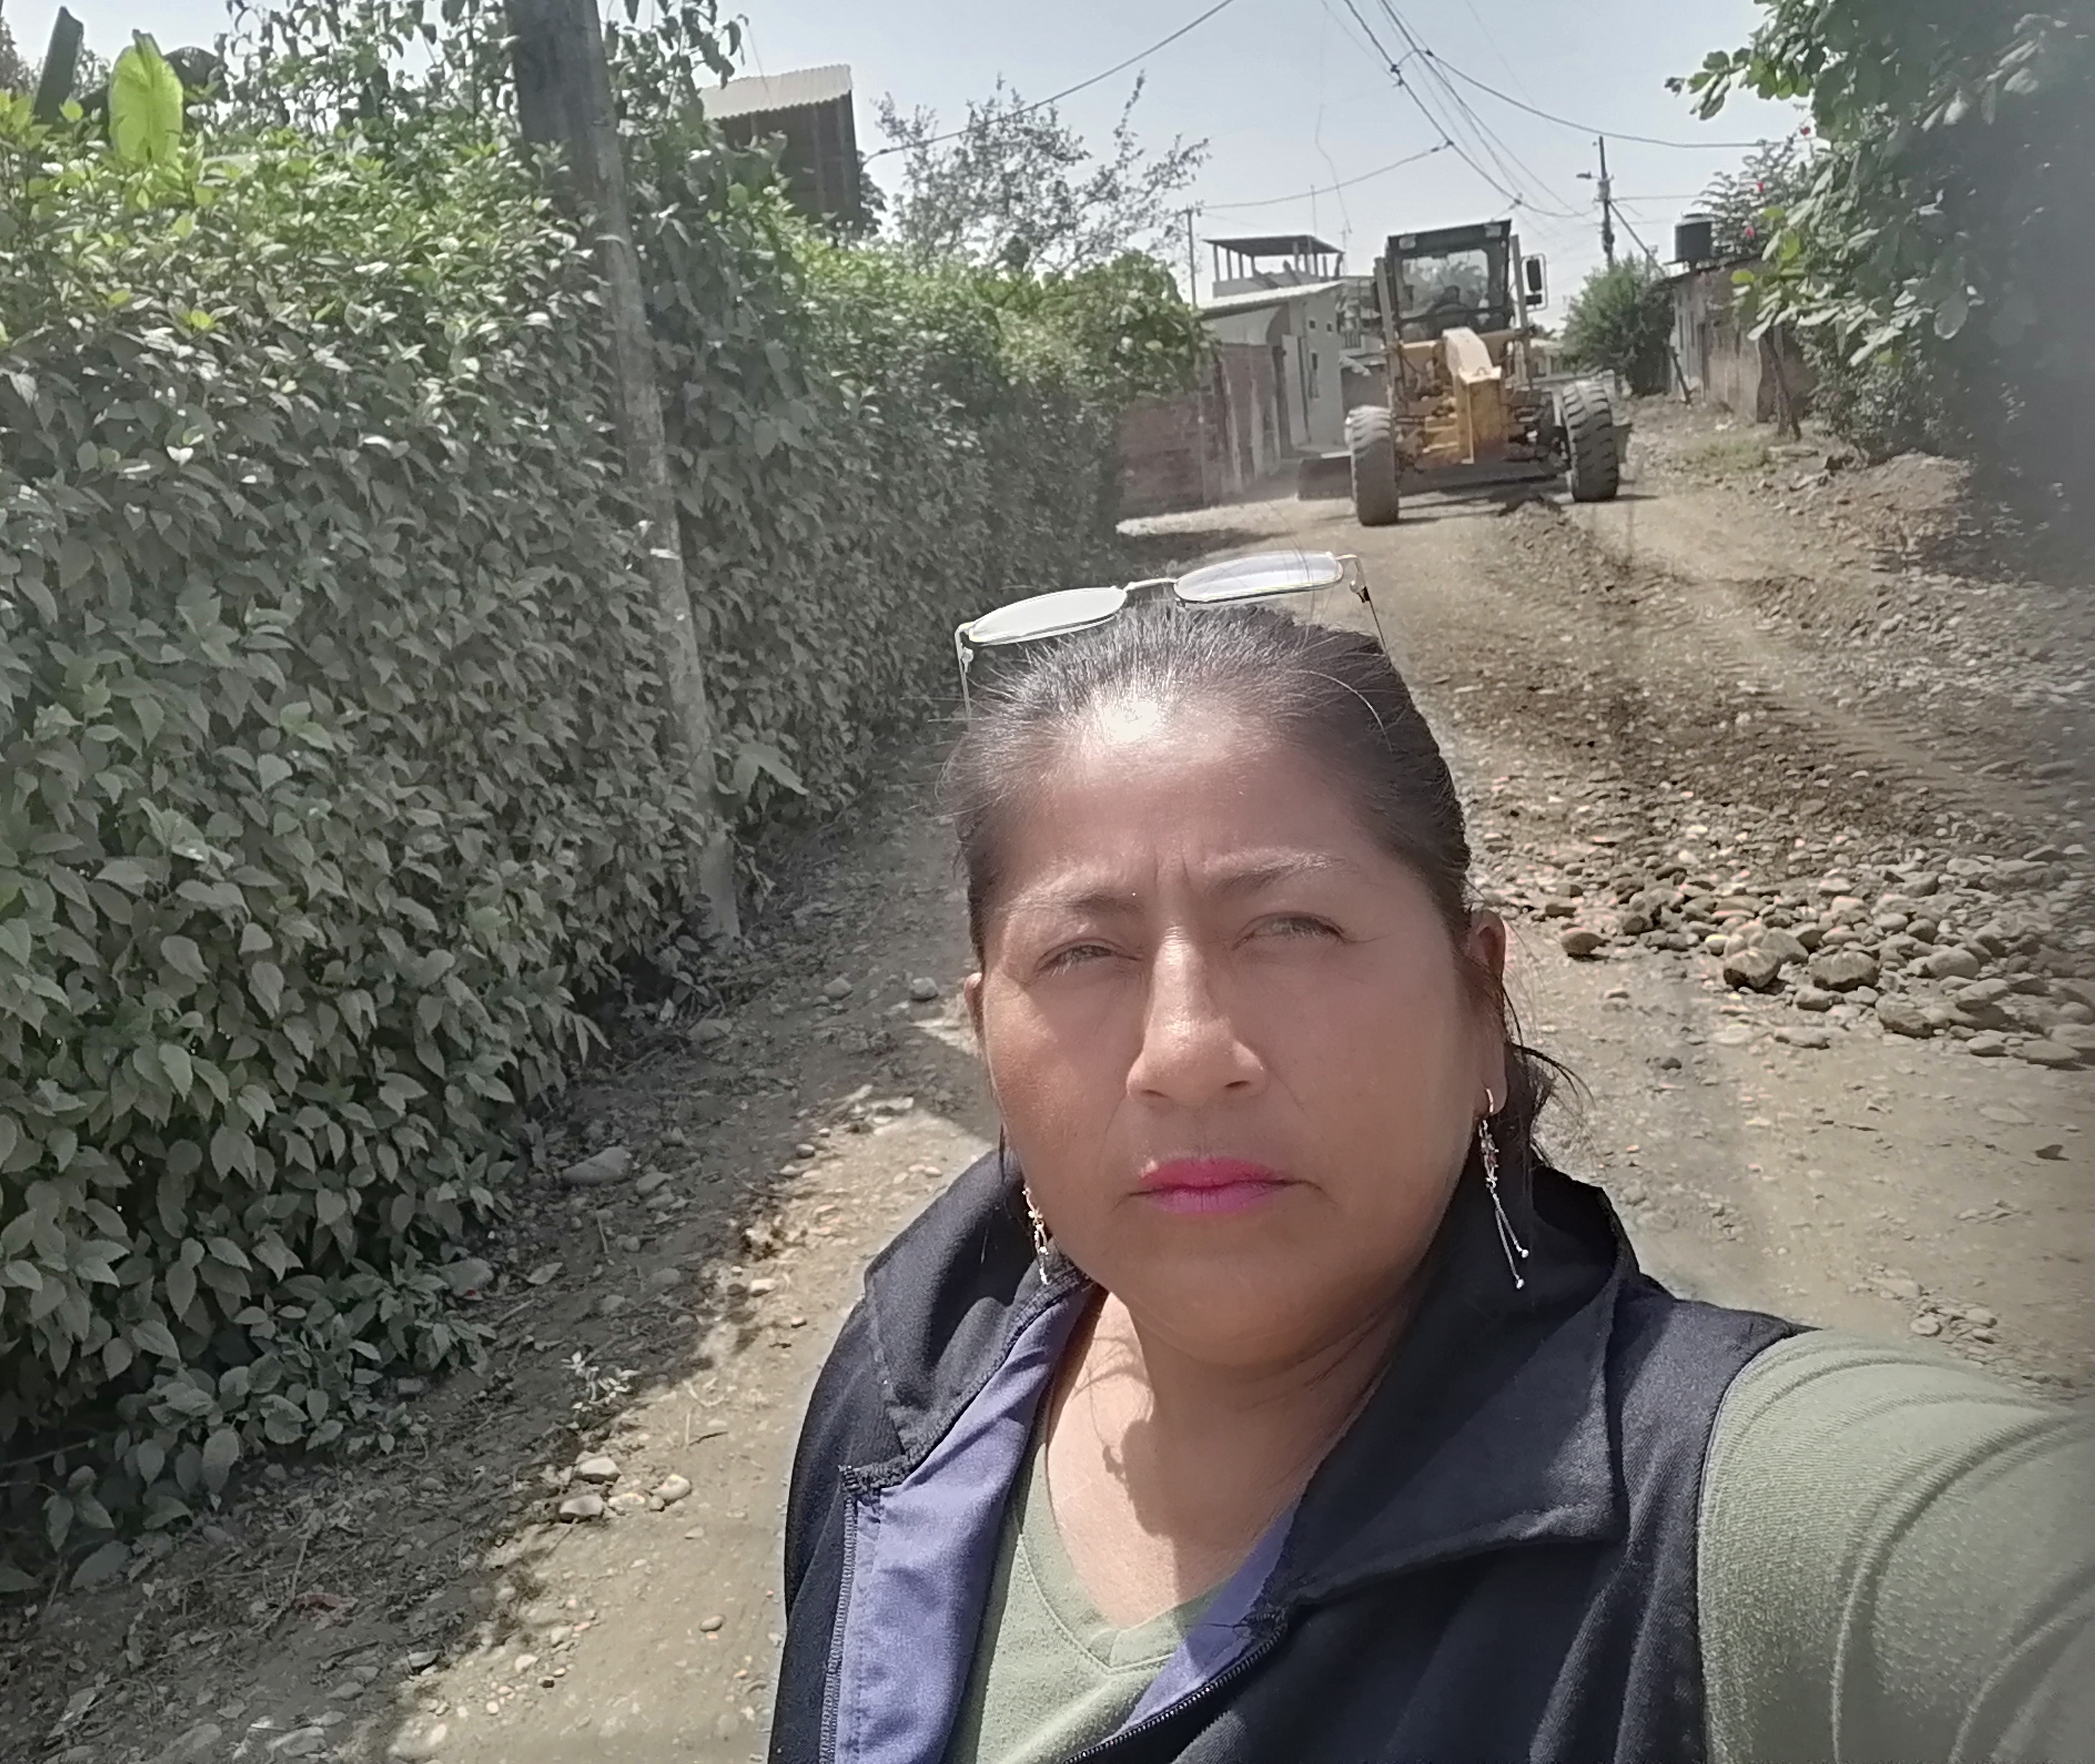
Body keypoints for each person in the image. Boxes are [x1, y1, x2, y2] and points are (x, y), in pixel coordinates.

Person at [769, 599, 2092, 1764]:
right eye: (1082, 954)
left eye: (1291, 927)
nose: (1186, 1053)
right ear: (986, 1035)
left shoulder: (1720, 1523)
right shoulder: (909, 1386)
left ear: (1478, 1004)